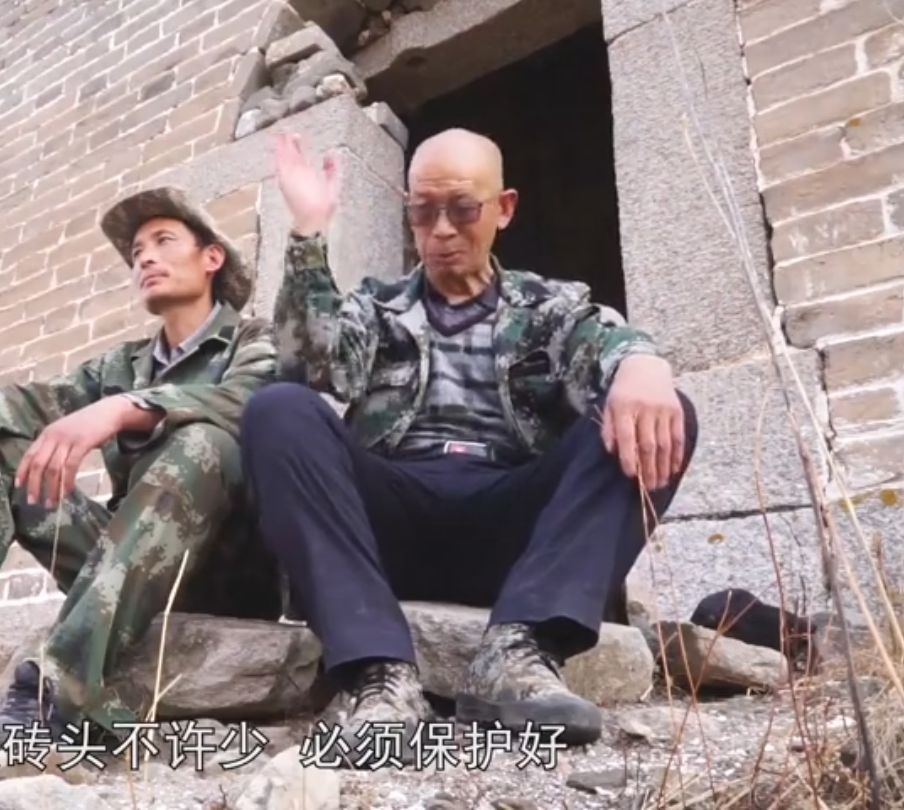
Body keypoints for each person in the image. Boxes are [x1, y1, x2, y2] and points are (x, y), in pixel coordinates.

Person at [241, 129, 699, 753]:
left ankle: (518, 654)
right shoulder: (377, 307)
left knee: (662, 413)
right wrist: (307, 230)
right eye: (422, 212)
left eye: (462, 209)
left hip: (514, 531)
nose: (442, 231)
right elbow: (309, 367)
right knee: (278, 409)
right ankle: (380, 676)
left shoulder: (549, 307)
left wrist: (643, 364)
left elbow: (604, 345)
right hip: (392, 524)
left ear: (503, 209)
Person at [0, 186, 283, 757]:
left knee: (203, 441)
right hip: (129, 566)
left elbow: (251, 401)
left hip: (226, 576)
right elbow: (31, 402)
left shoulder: (254, 339)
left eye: (164, 241)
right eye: (136, 252)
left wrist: (125, 408)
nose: (145, 258)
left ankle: (58, 689)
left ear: (212, 257)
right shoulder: (122, 365)